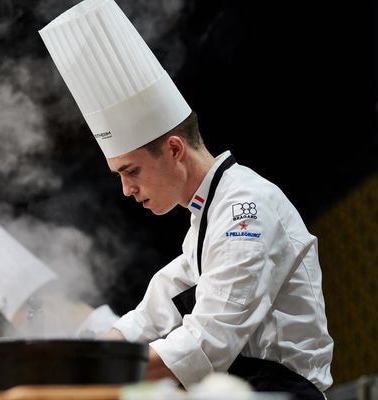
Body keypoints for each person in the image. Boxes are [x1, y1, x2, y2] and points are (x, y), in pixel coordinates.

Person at [38, 0, 333, 398]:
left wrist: (86, 381)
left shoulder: (245, 208)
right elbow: (155, 309)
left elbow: (206, 340)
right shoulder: (204, 221)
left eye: (131, 171)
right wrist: (82, 359)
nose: (126, 190)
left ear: (175, 150)